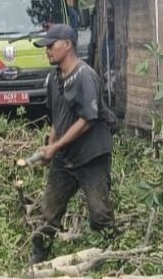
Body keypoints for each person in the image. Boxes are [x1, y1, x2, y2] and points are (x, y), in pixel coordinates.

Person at [29, 23, 115, 264]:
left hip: (90, 156)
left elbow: (87, 120)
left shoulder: (85, 76)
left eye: (50, 45)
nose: (46, 50)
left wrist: (55, 147)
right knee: (48, 214)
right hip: (64, 158)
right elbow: (58, 116)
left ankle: (112, 256)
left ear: (67, 45)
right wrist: (51, 142)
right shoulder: (53, 79)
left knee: (100, 214)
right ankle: (37, 262)